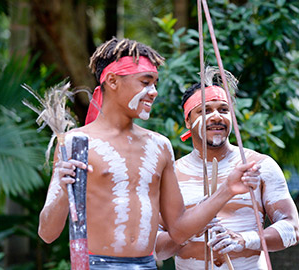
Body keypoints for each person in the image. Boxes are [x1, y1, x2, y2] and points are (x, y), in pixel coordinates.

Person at [37, 38, 261, 270]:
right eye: (145, 82)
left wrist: (227, 190)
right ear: (112, 81)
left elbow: (179, 229)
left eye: (155, 83)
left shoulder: (159, 146)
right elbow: (47, 233)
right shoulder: (77, 143)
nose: (153, 92)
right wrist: (64, 190)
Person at [154, 80, 299, 270]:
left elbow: (292, 229)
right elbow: (156, 249)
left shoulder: (259, 166)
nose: (216, 116)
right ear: (188, 121)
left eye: (224, 110)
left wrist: (245, 240)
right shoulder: (170, 175)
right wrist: (189, 228)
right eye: (204, 110)